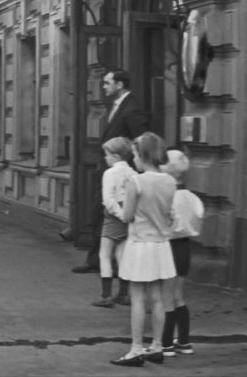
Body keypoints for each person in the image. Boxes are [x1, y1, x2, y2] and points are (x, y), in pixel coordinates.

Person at [69, 69, 150, 275]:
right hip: (109, 169)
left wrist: (126, 168)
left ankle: (110, 262)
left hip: (121, 175)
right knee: (99, 213)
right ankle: (98, 260)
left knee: (109, 215)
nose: (103, 87)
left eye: (107, 83)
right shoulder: (117, 105)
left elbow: (140, 140)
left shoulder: (132, 108)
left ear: (119, 84)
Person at [110, 132, 176, 367]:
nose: (133, 159)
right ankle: (157, 346)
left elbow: (127, 216)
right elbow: (170, 214)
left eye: (135, 154)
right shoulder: (169, 180)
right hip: (161, 245)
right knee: (158, 298)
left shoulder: (136, 181)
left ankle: (136, 348)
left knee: (137, 296)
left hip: (139, 243)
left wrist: (117, 208)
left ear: (143, 154)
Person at [160, 149, 203, 357]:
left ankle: (166, 343)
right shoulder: (191, 197)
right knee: (178, 295)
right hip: (185, 246)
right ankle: (184, 341)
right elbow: (198, 218)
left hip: (169, 245)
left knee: (165, 296)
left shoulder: (168, 197)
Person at [91, 137, 136, 308]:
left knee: (105, 255)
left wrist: (119, 214)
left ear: (115, 156)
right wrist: (127, 215)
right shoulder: (132, 173)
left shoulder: (109, 174)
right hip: (128, 216)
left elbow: (108, 199)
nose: (105, 158)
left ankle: (106, 295)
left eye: (107, 155)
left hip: (112, 218)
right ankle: (124, 293)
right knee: (122, 255)